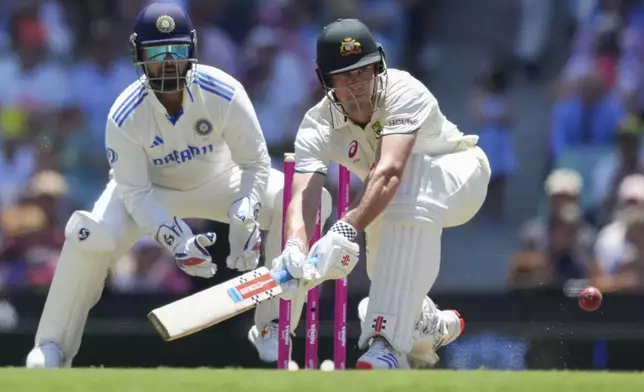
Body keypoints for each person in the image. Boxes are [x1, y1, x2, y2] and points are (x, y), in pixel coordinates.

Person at [25, 2, 331, 368]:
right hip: (150, 193)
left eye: (177, 51)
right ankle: (52, 346)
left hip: (222, 180)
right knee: (88, 235)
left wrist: (246, 211)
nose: (168, 62)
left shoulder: (224, 92)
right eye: (157, 52)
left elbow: (254, 163)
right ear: (140, 56)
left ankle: (273, 326)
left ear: (193, 51)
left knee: (303, 201)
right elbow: (134, 191)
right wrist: (175, 238)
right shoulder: (125, 114)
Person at [272, 19, 491, 369]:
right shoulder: (316, 124)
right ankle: (426, 322)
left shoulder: (404, 90)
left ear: (379, 66)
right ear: (325, 81)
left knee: (409, 170)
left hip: (459, 174)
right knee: (390, 276)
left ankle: (384, 343)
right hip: (391, 203)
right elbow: (302, 196)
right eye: (343, 77)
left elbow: (391, 171)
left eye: (363, 72)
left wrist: (344, 229)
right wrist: (295, 246)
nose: (356, 86)